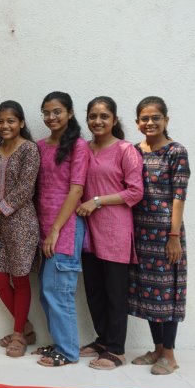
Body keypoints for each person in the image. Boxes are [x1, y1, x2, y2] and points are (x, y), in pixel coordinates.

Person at [76, 96, 143, 370]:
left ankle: (116, 350)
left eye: (104, 116)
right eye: (93, 116)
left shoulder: (125, 150)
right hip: (88, 231)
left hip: (115, 229)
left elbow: (136, 191)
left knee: (115, 293)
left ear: (114, 120)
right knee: (94, 290)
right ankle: (102, 340)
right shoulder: (84, 149)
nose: (97, 121)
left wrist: (98, 201)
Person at [128, 96, 190, 375]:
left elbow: (179, 196)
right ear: (137, 122)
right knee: (149, 292)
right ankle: (156, 349)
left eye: (155, 117)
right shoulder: (133, 151)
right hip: (141, 233)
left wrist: (174, 234)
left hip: (166, 233)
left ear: (166, 120)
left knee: (166, 292)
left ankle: (170, 354)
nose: (150, 122)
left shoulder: (176, 151)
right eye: (144, 118)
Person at [33, 91, 89, 367]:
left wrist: (55, 229)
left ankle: (68, 351)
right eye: (46, 112)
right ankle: (58, 343)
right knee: (47, 289)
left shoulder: (79, 146)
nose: (51, 117)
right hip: (45, 226)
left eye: (57, 112)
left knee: (59, 290)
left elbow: (76, 190)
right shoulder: (41, 146)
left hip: (64, 227)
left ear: (69, 113)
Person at [0, 101, 40, 358]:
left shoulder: (29, 150)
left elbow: (26, 189)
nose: (5, 126)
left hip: (22, 223)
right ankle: (25, 327)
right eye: (1, 121)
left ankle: (18, 335)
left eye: (11, 121)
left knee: (21, 277)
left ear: (21, 123)